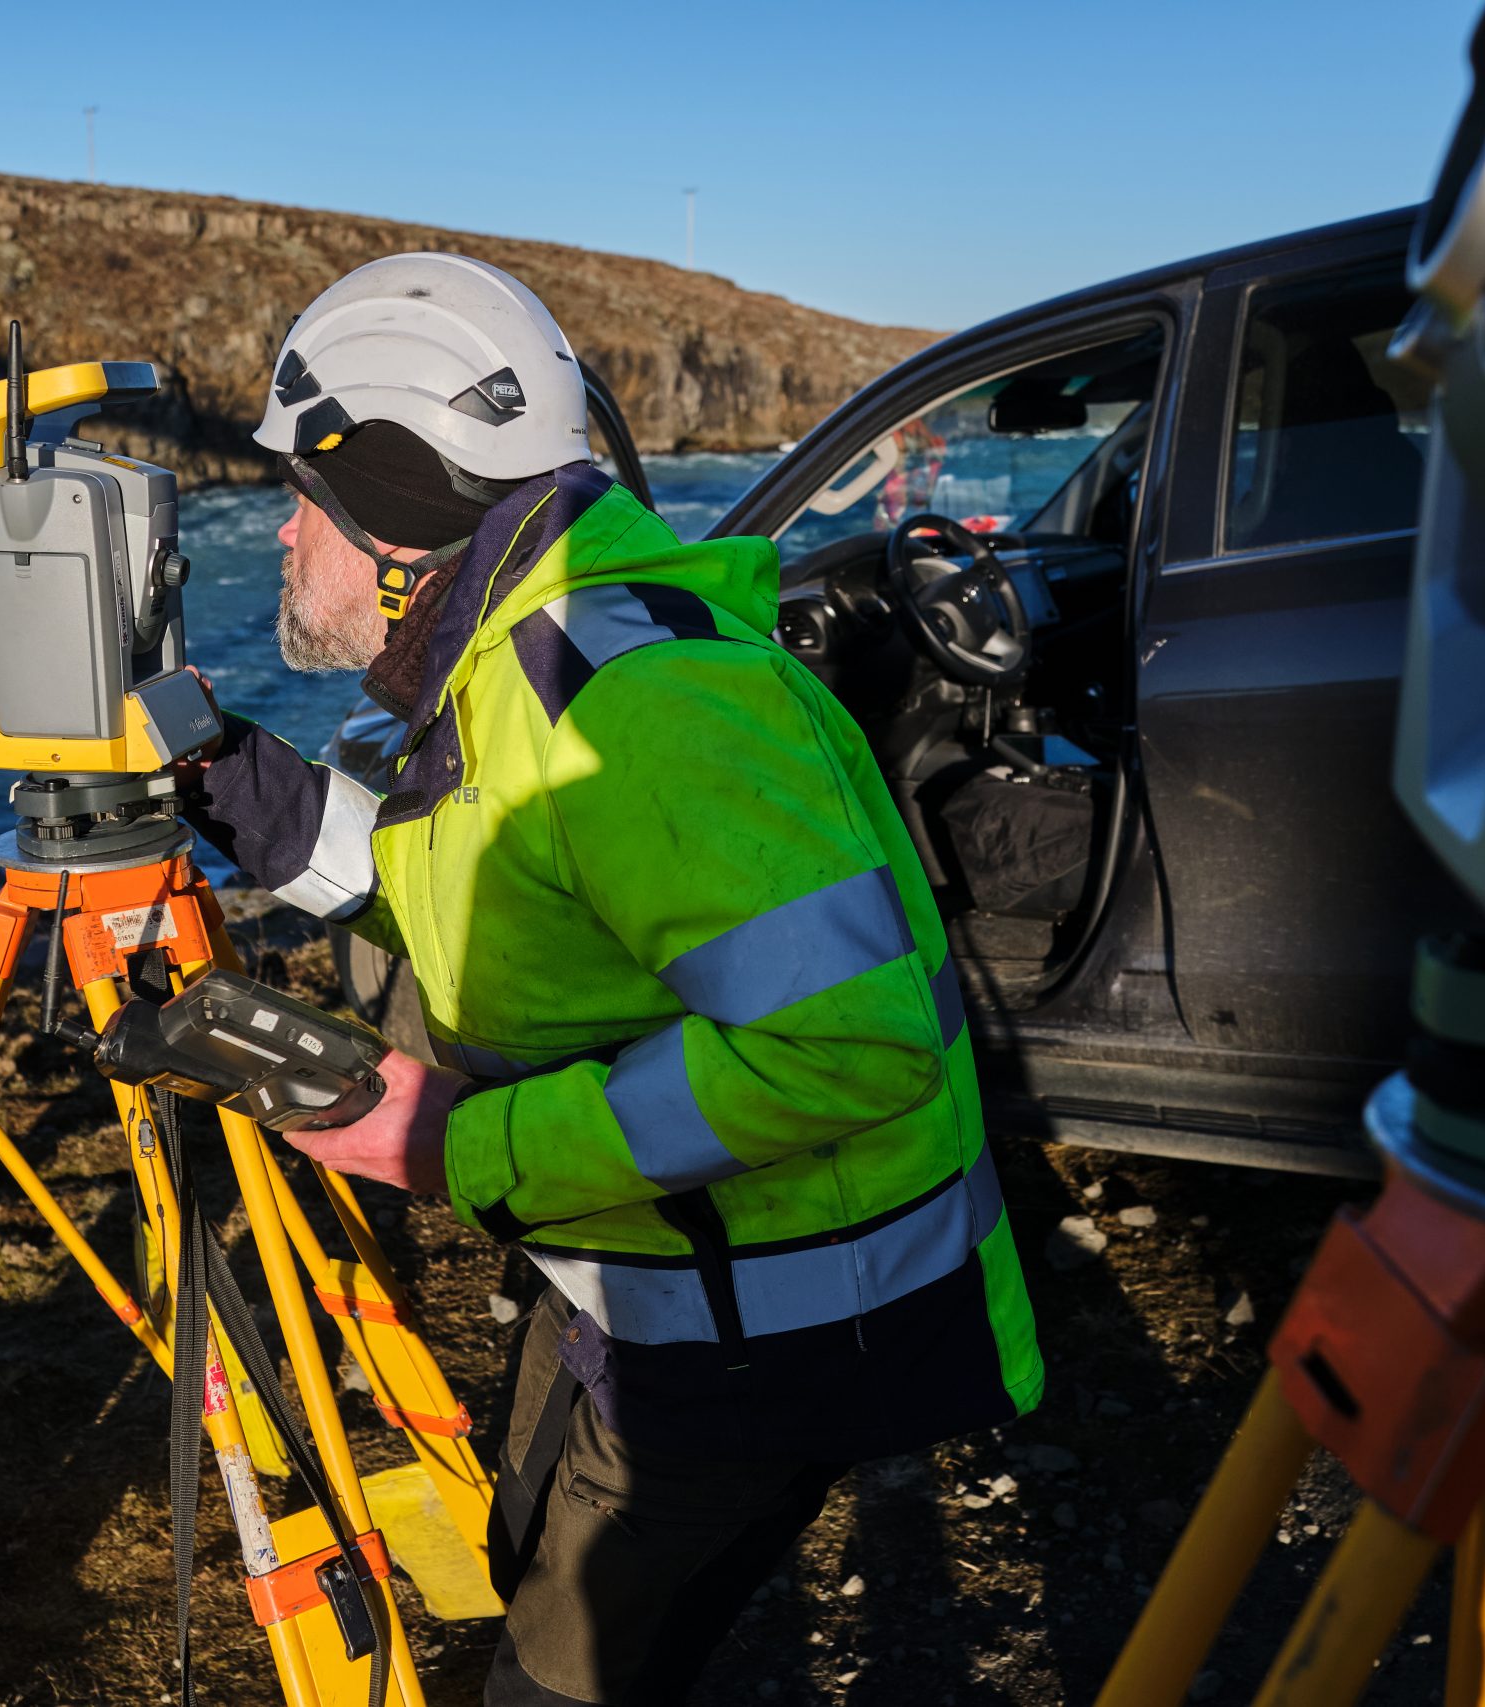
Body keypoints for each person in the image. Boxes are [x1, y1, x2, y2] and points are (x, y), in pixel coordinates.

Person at [176, 252, 1042, 1706]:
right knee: (532, 1581)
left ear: (400, 503)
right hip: (651, 1285)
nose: (277, 536)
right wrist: (242, 791)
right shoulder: (516, 667)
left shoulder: (639, 701)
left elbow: (844, 1048)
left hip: (774, 1331)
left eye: (301, 496)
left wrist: (454, 1142)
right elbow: (483, 893)